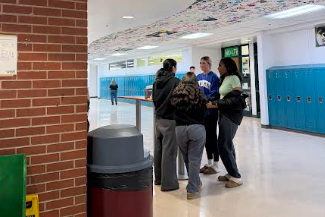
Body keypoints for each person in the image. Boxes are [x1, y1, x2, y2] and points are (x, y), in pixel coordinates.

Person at [207, 57, 247, 188]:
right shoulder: (224, 78)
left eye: (220, 65)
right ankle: (231, 173)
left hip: (231, 115)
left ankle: (236, 177)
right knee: (227, 144)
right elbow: (222, 96)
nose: (218, 68)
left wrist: (216, 104)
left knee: (223, 144)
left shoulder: (234, 78)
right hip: (224, 113)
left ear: (227, 67)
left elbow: (235, 100)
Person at [171, 72, 206, 200]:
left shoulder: (176, 95)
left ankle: (197, 182)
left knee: (187, 159)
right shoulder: (200, 95)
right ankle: (191, 189)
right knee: (195, 160)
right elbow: (204, 113)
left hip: (180, 130)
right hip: (197, 129)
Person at [152, 59, 180, 191]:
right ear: (173, 68)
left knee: (158, 150)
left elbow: (154, 99)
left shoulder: (156, 81)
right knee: (169, 152)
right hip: (170, 120)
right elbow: (180, 100)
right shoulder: (175, 81)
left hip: (158, 119)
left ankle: (158, 178)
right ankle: (168, 184)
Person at [197, 56, 220, 175]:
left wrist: (204, 101)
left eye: (204, 63)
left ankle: (216, 164)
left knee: (212, 137)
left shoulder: (214, 77)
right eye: (200, 63)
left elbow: (214, 94)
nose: (201, 65)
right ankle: (209, 162)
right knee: (205, 138)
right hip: (202, 113)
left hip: (211, 112)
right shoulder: (198, 77)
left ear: (209, 64)